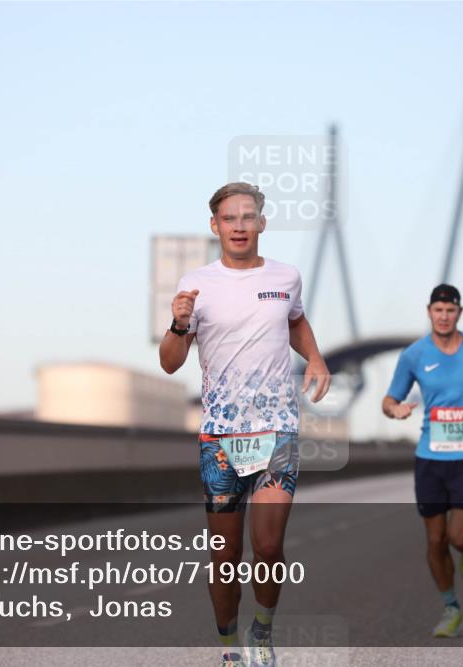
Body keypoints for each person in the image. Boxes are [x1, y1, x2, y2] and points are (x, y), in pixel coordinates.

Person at [159, 182, 331, 667]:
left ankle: (262, 631)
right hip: (220, 437)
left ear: (262, 223)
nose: (239, 226)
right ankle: (229, 649)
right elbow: (171, 363)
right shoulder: (196, 284)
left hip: (276, 429)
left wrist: (314, 356)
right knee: (224, 559)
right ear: (215, 225)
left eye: (248, 217)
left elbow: (294, 320)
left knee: (270, 546)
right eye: (229, 218)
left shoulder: (286, 276)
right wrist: (177, 325)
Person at [381, 284, 463, 638]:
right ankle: (451, 608)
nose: (444, 316)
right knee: (435, 540)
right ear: (429, 312)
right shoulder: (413, 355)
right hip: (429, 458)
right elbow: (390, 398)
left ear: (459, 313)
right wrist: (395, 409)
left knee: (459, 536)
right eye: (438, 310)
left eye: (450, 311)